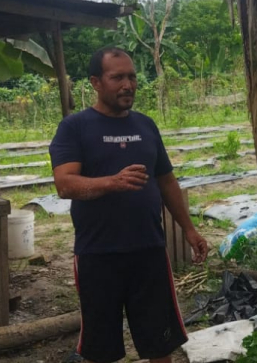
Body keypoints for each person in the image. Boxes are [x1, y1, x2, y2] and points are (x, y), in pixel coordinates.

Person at [49, 47, 209, 363]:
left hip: (149, 251)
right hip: (98, 255)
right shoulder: (75, 127)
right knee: (101, 349)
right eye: (117, 77)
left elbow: (166, 181)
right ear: (96, 82)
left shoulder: (146, 126)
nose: (128, 85)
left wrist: (189, 229)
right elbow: (65, 184)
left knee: (160, 344)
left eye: (132, 77)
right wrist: (112, 182)